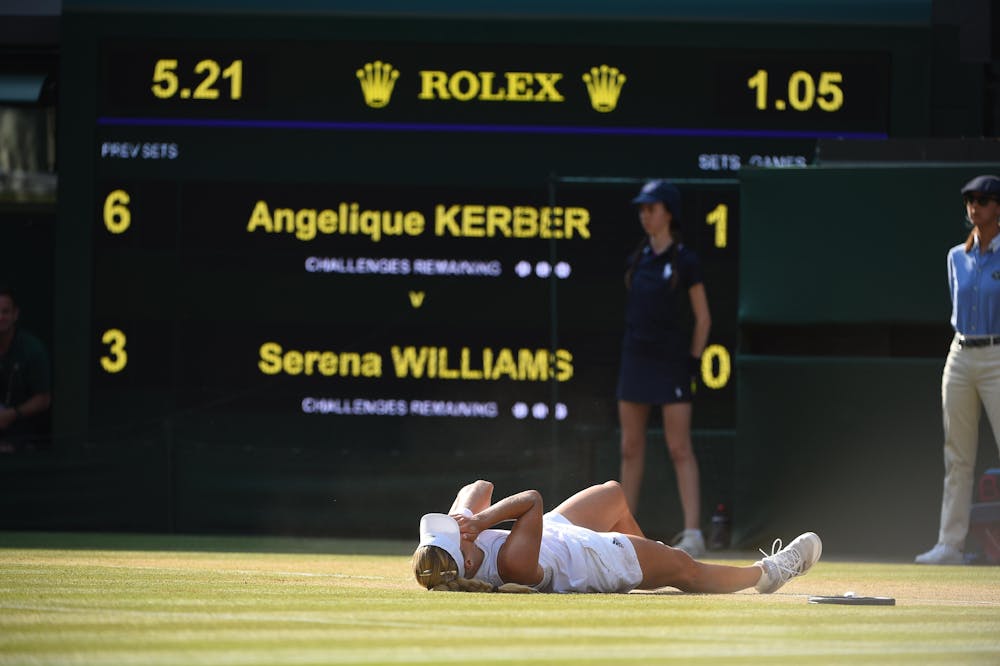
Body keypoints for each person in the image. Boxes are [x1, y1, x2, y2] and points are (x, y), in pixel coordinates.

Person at [412, 479, 821, 594]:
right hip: (595, 561)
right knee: (688, 571)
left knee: (613, 495)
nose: (459, 528)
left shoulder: (459, 556)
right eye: (455, 535)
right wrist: (481, 523)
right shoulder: (508, 565)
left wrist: (464, 516)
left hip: (558, 535)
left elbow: (480, 486)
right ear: (467, 562)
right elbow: (530, 501)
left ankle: (654, 568)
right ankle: (767, 573)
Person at [616, 179, 712, 556]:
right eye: (642, 209)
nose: (645, 215)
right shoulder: (637, 258)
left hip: (671, 364)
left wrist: (691, 362)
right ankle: (623, 531)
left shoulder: (686, 261)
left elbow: (703, 319)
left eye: (651, 208)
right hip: (635, 360)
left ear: (668, 213)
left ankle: (693, 533)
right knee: (630, 447)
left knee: (678, 447)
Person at [916, 175, 1000, 565]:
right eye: (970, 199)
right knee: (957, 454)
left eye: (983, 199)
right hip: (961, 353)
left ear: (998, 206)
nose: (975, 205)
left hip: (998, 354)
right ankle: (950, 544)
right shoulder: (956, 257)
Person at [0, 286, 52, 453]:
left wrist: (12, 414)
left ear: (15, 314)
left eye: (5, 312)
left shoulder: (32, 349)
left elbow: (44, 398)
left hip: (23, 433)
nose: (0, 317)